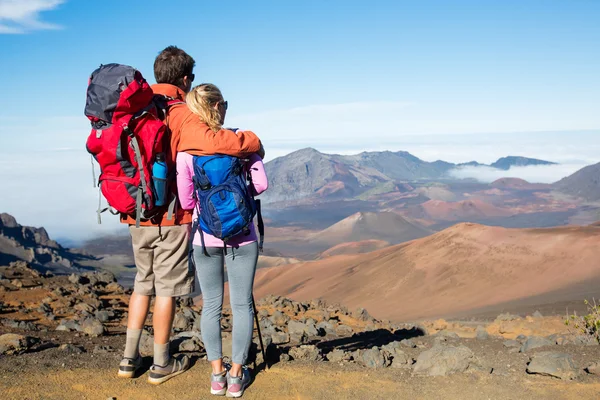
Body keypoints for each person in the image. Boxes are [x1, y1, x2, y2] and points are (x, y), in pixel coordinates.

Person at [118, 47, 264, 385]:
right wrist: (253, 140)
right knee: (166, 288)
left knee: (143, 283)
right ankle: (160, 363)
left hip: (136, 210)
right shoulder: (180, 112)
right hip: (168, 215)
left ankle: (128, 358)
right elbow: (215, 141)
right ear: (185, 79)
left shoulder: (136, 107)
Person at [177, 83, 268, 398]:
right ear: (216, 107)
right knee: (242, 304)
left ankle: (216, 375)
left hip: (205, 238)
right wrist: (239, 197)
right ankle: (236, 375)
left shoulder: (186, 152)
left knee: (211, 306)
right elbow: (262, 184)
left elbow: (187, 202)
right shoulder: (242, 144)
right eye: (224, 103)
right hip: (243, 237)